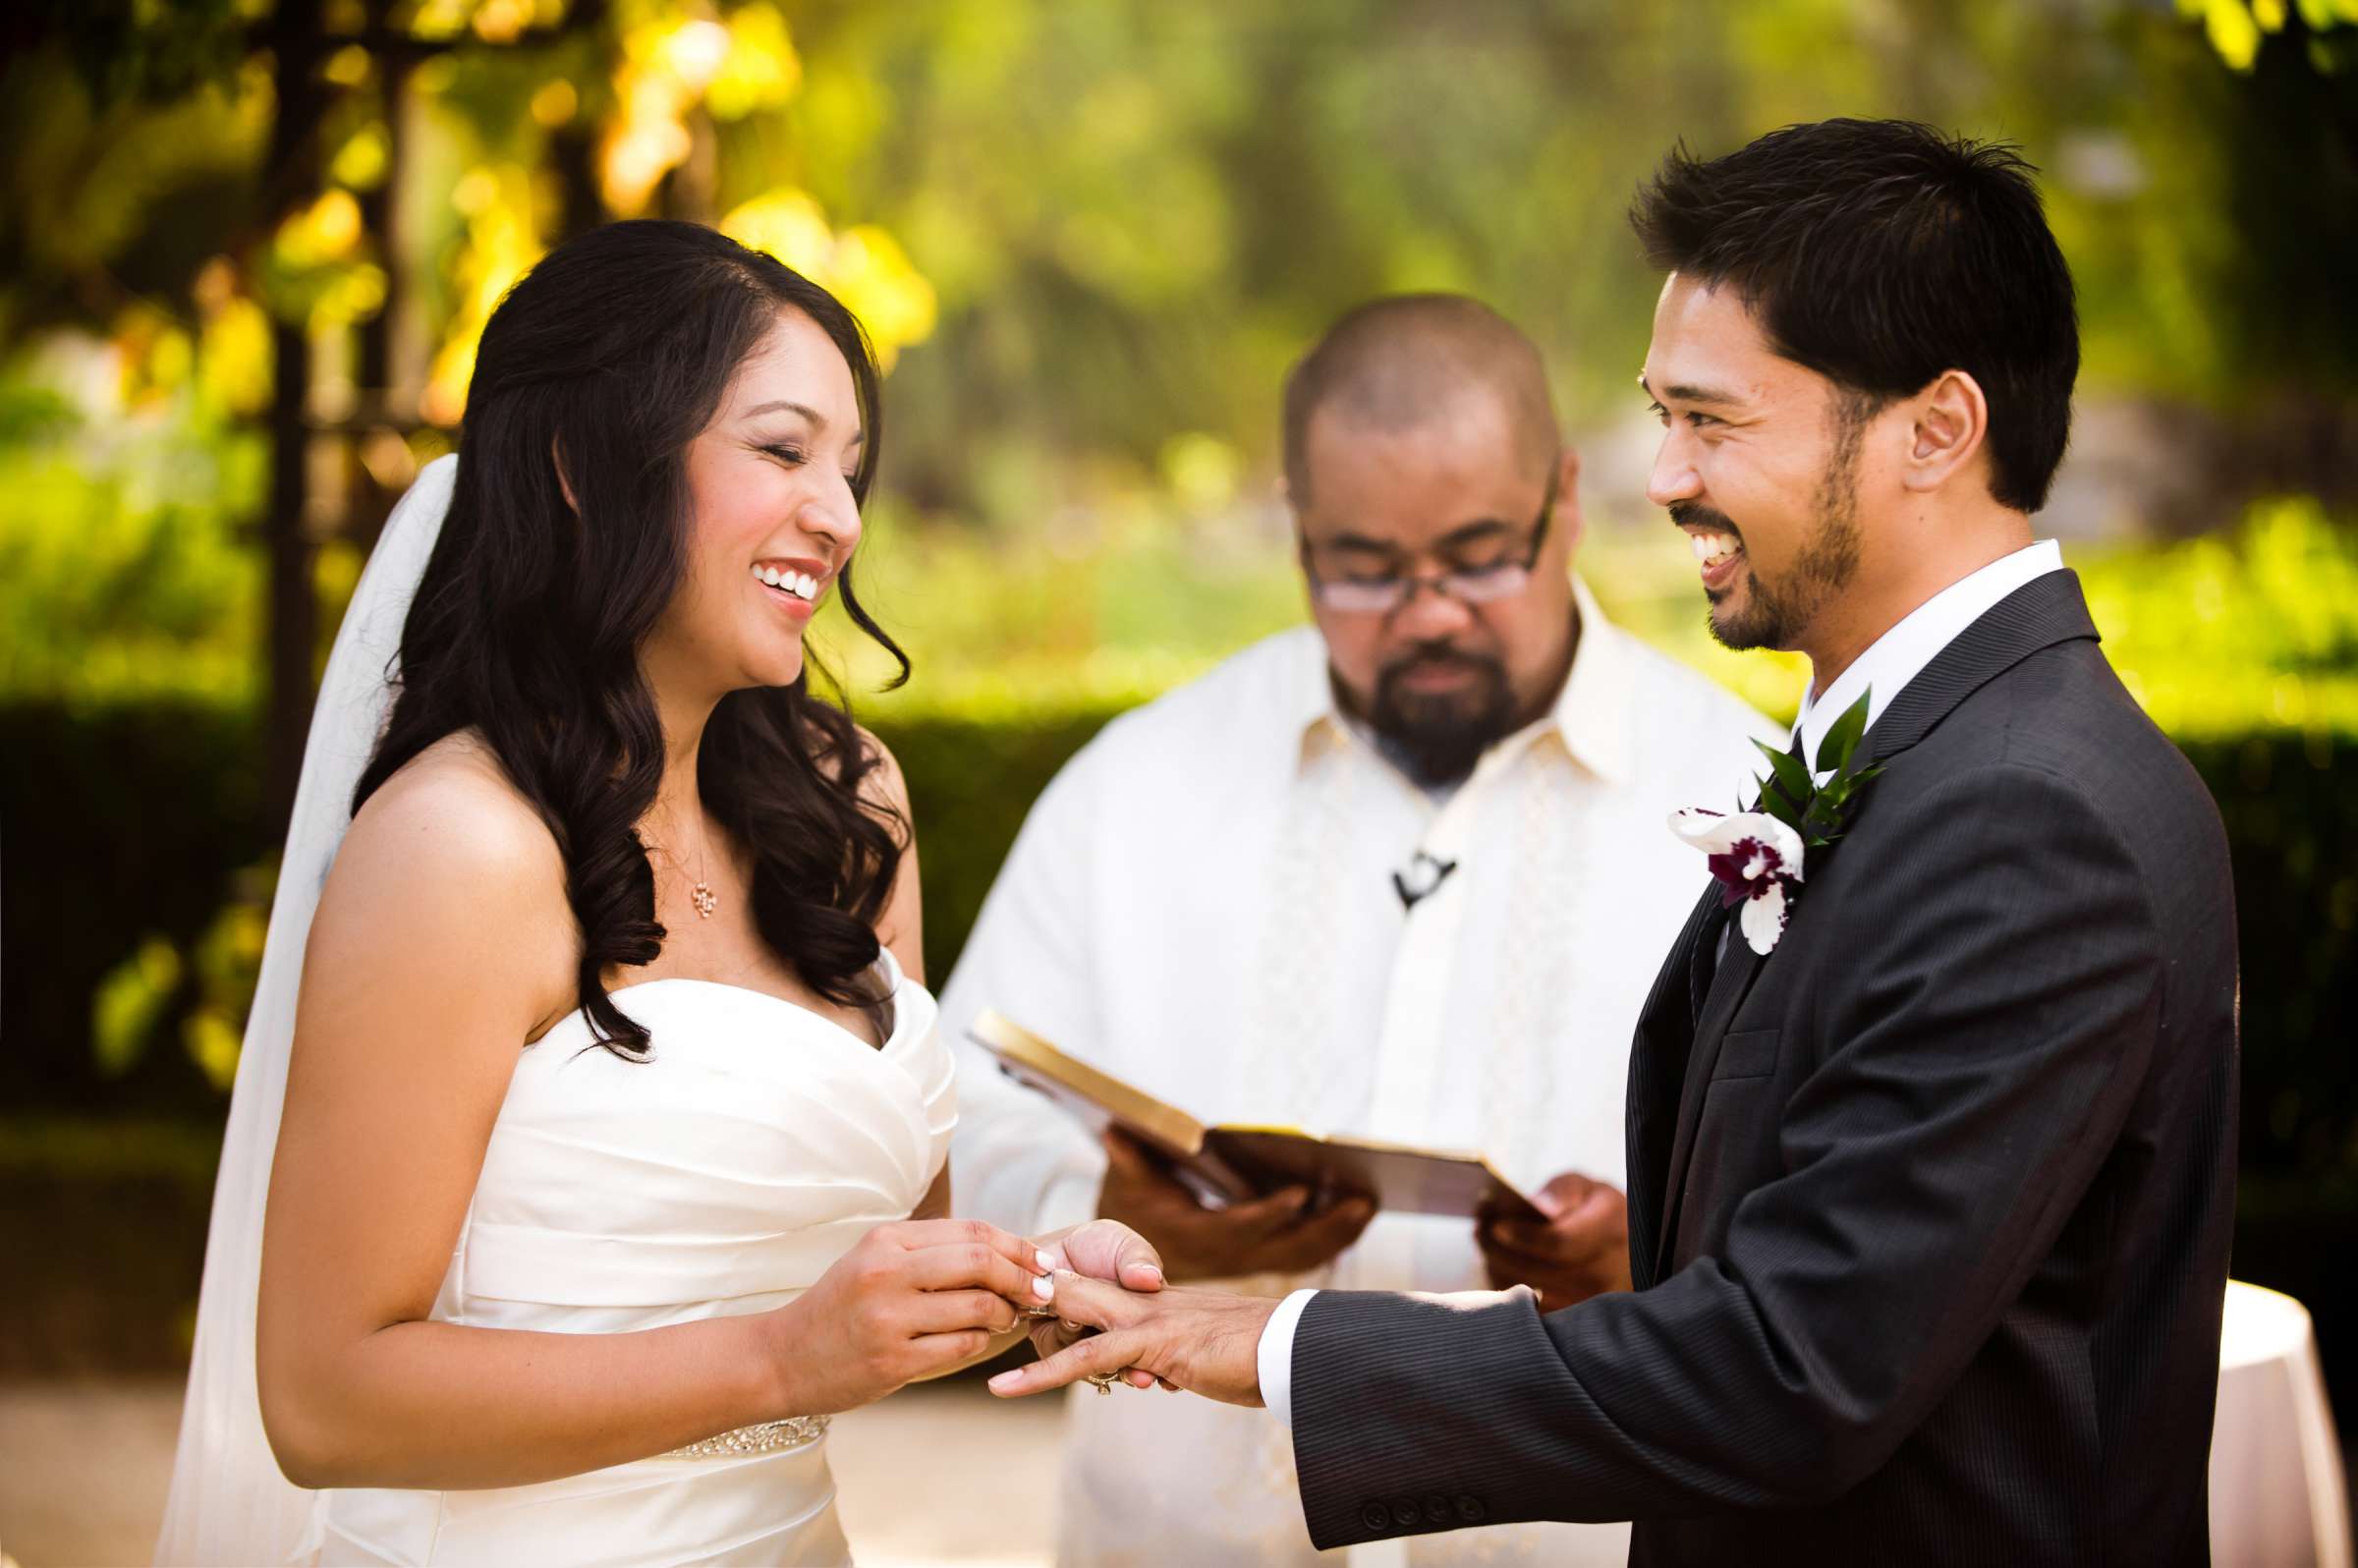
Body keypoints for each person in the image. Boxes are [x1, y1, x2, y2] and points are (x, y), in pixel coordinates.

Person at [997, 119, 2240, 1568]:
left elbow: (1792, 1370)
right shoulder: (1940, 758)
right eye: (1662, 414)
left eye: (1713, 420)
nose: (1660, 475)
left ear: (1937, 428)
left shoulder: (2029, 813)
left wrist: (1287, 1347)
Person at [155, 220, 1156, 1567]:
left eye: (849, 469)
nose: (839, 515)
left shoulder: (849, 809)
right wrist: (779, 1360)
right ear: (582, 464)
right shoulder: (460, 848)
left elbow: (884, 1273)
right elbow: (325, 1401)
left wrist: (1035, 1284)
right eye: (783, 450)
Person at [941, 295, 1775, 1565]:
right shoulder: (1139, 784)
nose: (1430, 612)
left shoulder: (1742, 804)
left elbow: (1840, 1234)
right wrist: (1103, 1209)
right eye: (1366, 569)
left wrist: (1662, 1257)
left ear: (1563, 498)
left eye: (1482, 553)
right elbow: (953, 1126)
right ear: (1297, 529)